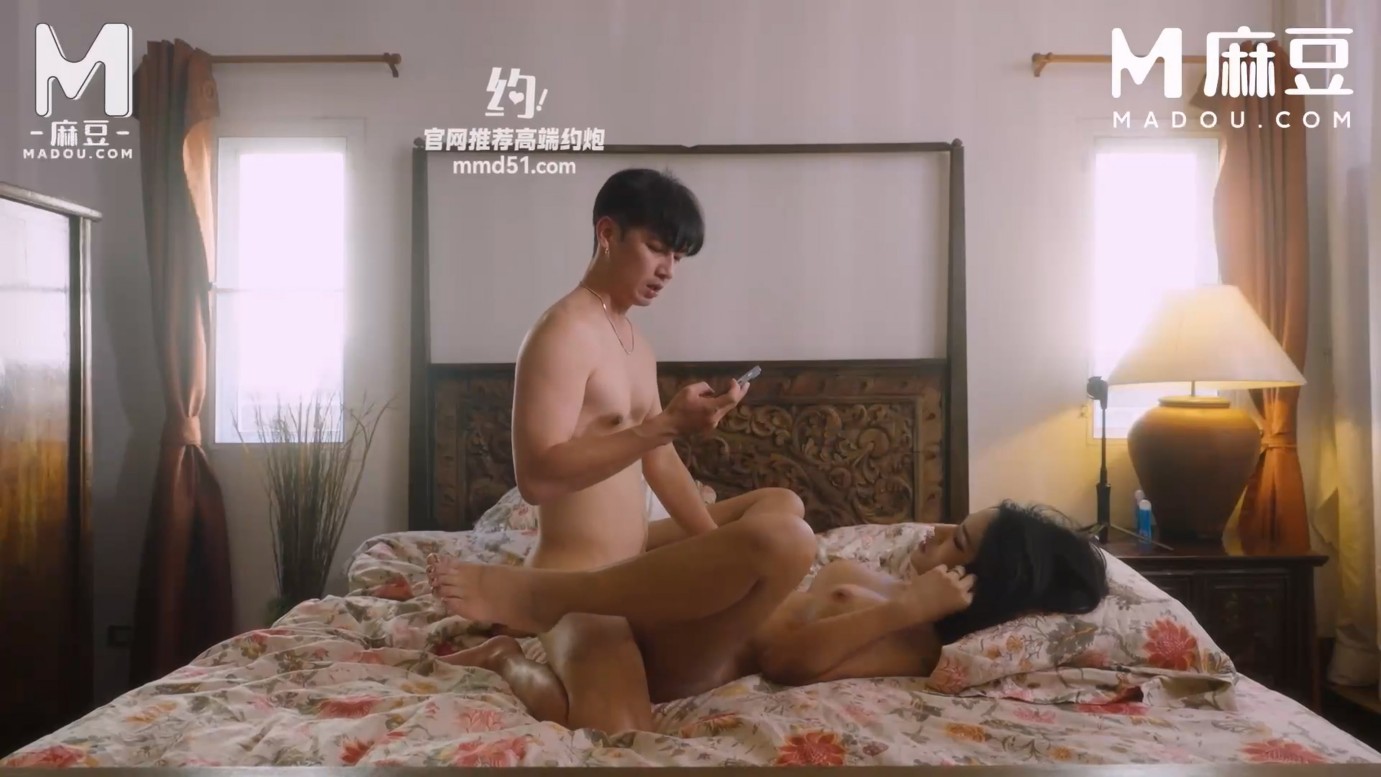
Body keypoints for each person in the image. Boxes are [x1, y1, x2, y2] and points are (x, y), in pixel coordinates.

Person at [470, 166, 811, 733]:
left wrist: (715, 547)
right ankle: (505, 657)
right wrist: (665, 425)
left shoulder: (635, 341)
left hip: (641, 563)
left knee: (782, 508)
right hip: (574, 575)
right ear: (608, 233)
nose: (668, 270)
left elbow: (658, 459)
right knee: (622, 731)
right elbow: (537, 477)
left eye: (677, 256)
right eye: (656, 248)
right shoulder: (561, 333)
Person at [430, 500, 1109, 704]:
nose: (931, 532)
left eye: (954, 539)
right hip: (654, 603)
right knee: (784, 505)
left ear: (974, 582)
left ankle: (511, 647)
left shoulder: (916, 637)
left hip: (686, 658)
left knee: (787, 539)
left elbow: (785, 660)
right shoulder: (887, 580)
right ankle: (601, 560)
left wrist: (905, 609)